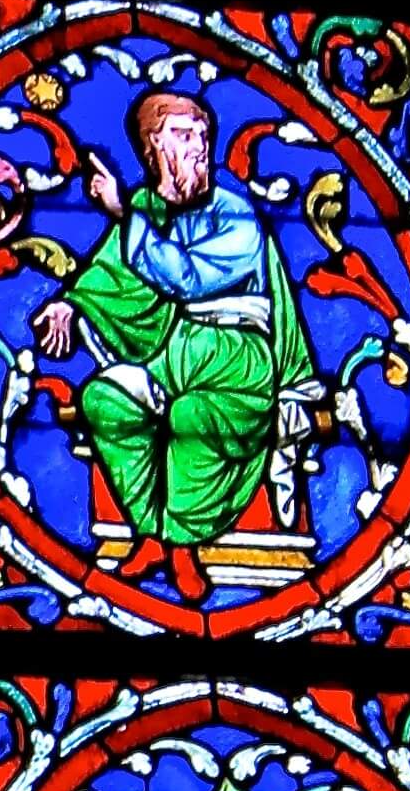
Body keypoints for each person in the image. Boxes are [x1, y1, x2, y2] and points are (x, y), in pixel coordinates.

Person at [31, 87, 319, 605]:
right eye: (184, 136)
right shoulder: (144, 208)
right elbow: (112, 276)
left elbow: (188, 278)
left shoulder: (234, 213)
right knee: (105, 400)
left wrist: (123, 214)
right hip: (174, 351)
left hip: (237, 357)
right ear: (153, 147)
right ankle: (152, 533)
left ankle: (182, 546)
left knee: (190, 416)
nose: (200, 147)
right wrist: (71, 305)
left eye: (204, 136)